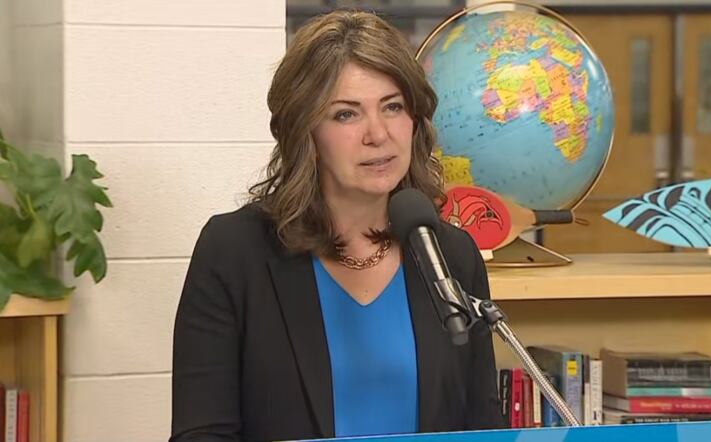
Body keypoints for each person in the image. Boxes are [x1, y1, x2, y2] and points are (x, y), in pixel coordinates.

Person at [170, 9, 501, 442]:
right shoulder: (236, 251)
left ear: (415, 121)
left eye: (393, 107)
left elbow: (481, 425)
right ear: (305, 130)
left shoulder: (451, 254)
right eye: (347, 114)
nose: (378, 134)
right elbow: (202, 433)